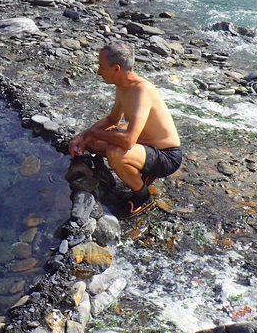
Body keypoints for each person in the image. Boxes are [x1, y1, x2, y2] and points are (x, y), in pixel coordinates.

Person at [68, 41, 183, 218]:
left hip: (166, 156)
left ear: (117, 69)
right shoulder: (123, 87)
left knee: (116, 151)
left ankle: (143, 197)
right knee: (91, 142)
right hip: (144, 147)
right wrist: (84, 136)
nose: (98, 71)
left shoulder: (142, 91)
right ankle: (138, 172)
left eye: (101, 66)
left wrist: (93, 133)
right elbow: (112, 119)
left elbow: (128, 141)